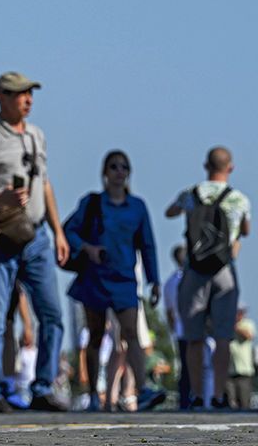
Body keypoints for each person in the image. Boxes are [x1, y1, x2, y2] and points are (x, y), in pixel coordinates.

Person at [0, 72, 69, 412]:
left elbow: (45, 185)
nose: (29, 100)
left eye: (30, 94)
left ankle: (42, 386)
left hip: (36, 236)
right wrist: (1, 197)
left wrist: (58, 231)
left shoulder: (37, 136)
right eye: (22, 94)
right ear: (2, 97)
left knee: (51, 314)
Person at [65, 150, 165, 412]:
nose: (119, 171)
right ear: (105, 172)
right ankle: (93, 395)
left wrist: (155, 280)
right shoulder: (92, 203)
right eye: (114, 167)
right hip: (95, 277)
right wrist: (87, 248)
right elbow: (69, 232)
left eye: (124, 167)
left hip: (124, 279)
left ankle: (142, 389)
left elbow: (148, 245)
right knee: (96, 335)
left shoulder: (137, 207)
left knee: (131, 333)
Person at [167, 146, 251, 410]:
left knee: (194, 337)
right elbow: (245, 230)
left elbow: (170, 211)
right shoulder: (238, 199)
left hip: (195, 270)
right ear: (231, 167)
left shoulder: (191, 194)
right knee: (223, 336)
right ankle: (217, 394)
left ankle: (195, 394)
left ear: (206, 165)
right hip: (224, 270)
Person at [163, 245, 191, 409]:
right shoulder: (189, 279)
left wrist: (173, 328)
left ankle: (185, 400)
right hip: (192, 329)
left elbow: (169, 312)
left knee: (185, 368)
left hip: (179, 329)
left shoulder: (170, 282)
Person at [230, 305, 255, 410]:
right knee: (230, 402)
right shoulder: (226, 325)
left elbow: (249, 336)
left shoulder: (247, 324)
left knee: (244, 403)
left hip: (244, 371)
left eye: (241, 312)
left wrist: (235, 327)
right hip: (228, 371)